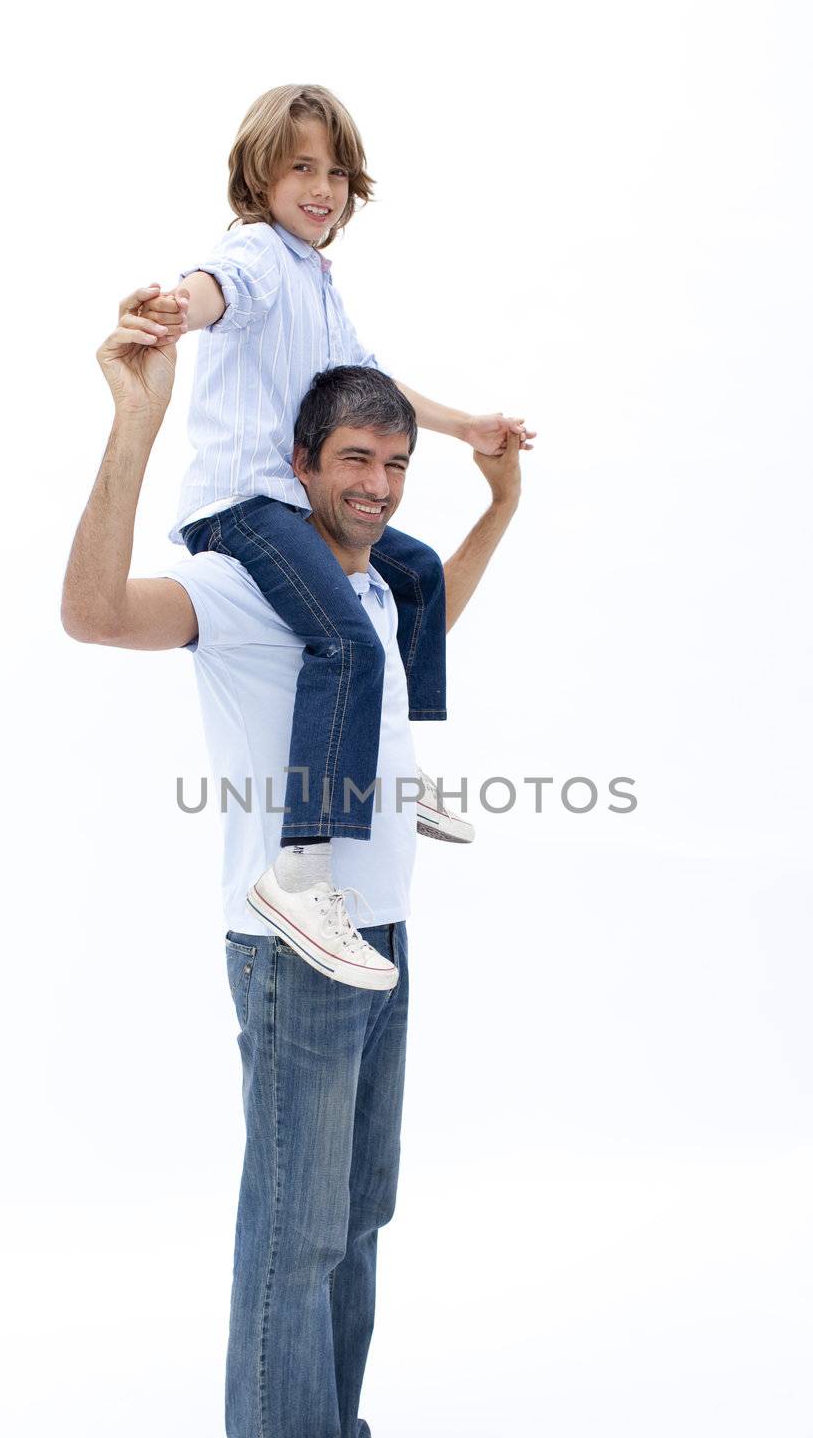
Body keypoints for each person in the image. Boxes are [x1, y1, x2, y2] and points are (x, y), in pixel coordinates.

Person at [61, 292, 522, 1438]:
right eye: (352, 461)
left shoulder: (363, 597)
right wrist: (135, 426)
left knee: (359, 1207)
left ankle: (329, 1432)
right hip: (288, 945)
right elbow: (95, 616)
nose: (374, 482)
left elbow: (436, 620)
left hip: (377, 934)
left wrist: (496, 507)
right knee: (297, 1213)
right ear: (300, 466)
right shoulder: (241, 581)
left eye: (391, 464)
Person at [132, 82, 534, 984]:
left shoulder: (318, 280)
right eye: (301, 168)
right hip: (245, 505)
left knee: (417, 573)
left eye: (338, 172)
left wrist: (468, 426)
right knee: (345, 638)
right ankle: (301, 868)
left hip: (300, 504)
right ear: (260, 177)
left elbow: (372, 381)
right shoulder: (258, 255)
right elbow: (213, 291)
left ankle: (394, 763)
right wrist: (173, 308)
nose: (323, 187)